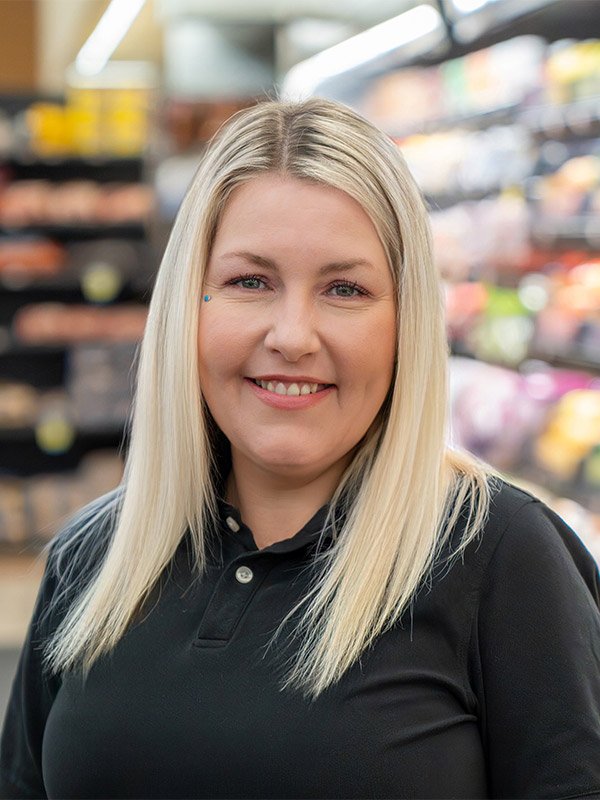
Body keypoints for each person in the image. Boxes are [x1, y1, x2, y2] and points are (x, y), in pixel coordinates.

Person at [1, 97, 600, 800]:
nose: (293, 335)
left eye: (345, 289)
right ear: (187, 306)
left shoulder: (502, 557)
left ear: (406, 322)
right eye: (250, 282)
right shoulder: (93, 556)